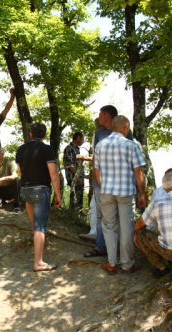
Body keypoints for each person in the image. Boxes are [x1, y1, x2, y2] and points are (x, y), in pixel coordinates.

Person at [94, 115, 147, 274]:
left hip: (107, 192)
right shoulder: (131, 145)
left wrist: (104, 186)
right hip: (125, 192)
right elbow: (138, 172)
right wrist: (142, 193)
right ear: (125, 127)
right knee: (126, 228)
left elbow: (96, 171)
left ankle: (111, 263)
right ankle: (127, 264)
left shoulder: (100, 145)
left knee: (109, 227)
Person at [84, 105, 133, 258]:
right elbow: (95, 160)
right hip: (101, 183)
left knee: (120, 217)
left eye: (100, 113)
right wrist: (94, 180)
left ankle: (120, 251)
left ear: (107, 115)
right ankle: (100, 247)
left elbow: (130, 156)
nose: (98, 116)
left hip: (120, 182)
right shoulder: (99, 133)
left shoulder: (124, 131)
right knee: (100, 215)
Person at [16, 122, 61, 272]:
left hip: (25, 190)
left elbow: (19, 172)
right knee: (40, 227)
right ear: (45, 135)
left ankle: (38, 252)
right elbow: (53, 174)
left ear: (30, 134)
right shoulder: (47, 149)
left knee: (34, 226)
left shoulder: (21, 150)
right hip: (41, 190)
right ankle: (38, 263)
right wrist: (58, 194)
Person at [63, 131, 85, 211]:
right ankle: (72, 217)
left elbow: (77, 165)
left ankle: (78, 216)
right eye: (83, 139)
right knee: (75, 199)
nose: (83, 141)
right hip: (74, 178)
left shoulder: (76, 149)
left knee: (79, 199)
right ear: (78, 138)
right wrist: (77, 178)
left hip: (78, 178)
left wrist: (84, 176)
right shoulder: (69, 148)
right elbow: (70, 164)